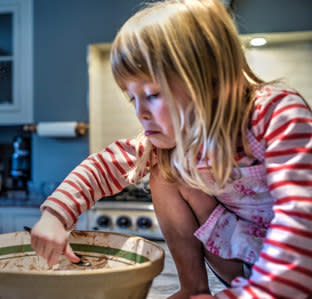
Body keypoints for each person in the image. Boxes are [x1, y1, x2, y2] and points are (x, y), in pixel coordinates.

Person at [30, 0, 312, 298]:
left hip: (296, 265)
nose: (140, 113)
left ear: (212, 80)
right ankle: (193, 288)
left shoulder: (275, 115)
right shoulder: (178, 138)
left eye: (152, 94)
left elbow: (300, 219)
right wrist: (55, 216)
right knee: (164, 169)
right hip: (244, 261)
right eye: (132, 98)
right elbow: (103, 165)